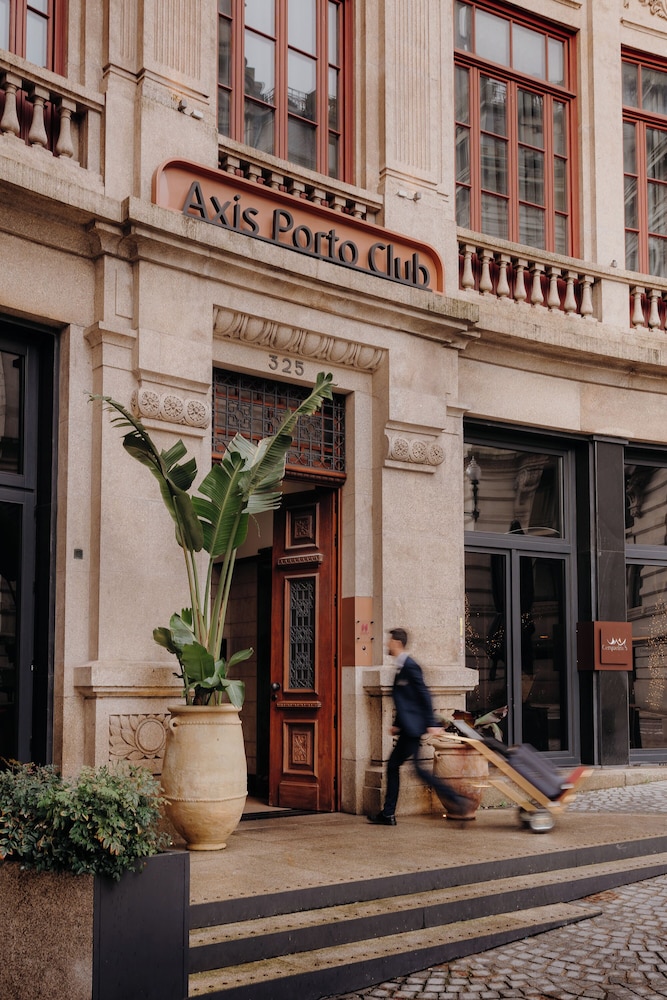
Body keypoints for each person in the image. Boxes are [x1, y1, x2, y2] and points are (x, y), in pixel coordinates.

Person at [368, 627, 477, 825]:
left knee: (407, 768)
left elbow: (423, 695)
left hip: (413, 729)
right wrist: (397, 725)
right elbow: (406, 700)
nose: (387, 644)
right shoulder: (402, 666)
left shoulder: (410, 666)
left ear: (397, 643)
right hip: (408, 728)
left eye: (389, 641)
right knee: (399, 767)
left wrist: (432, 723)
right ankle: (388, 813)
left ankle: (457, 800)